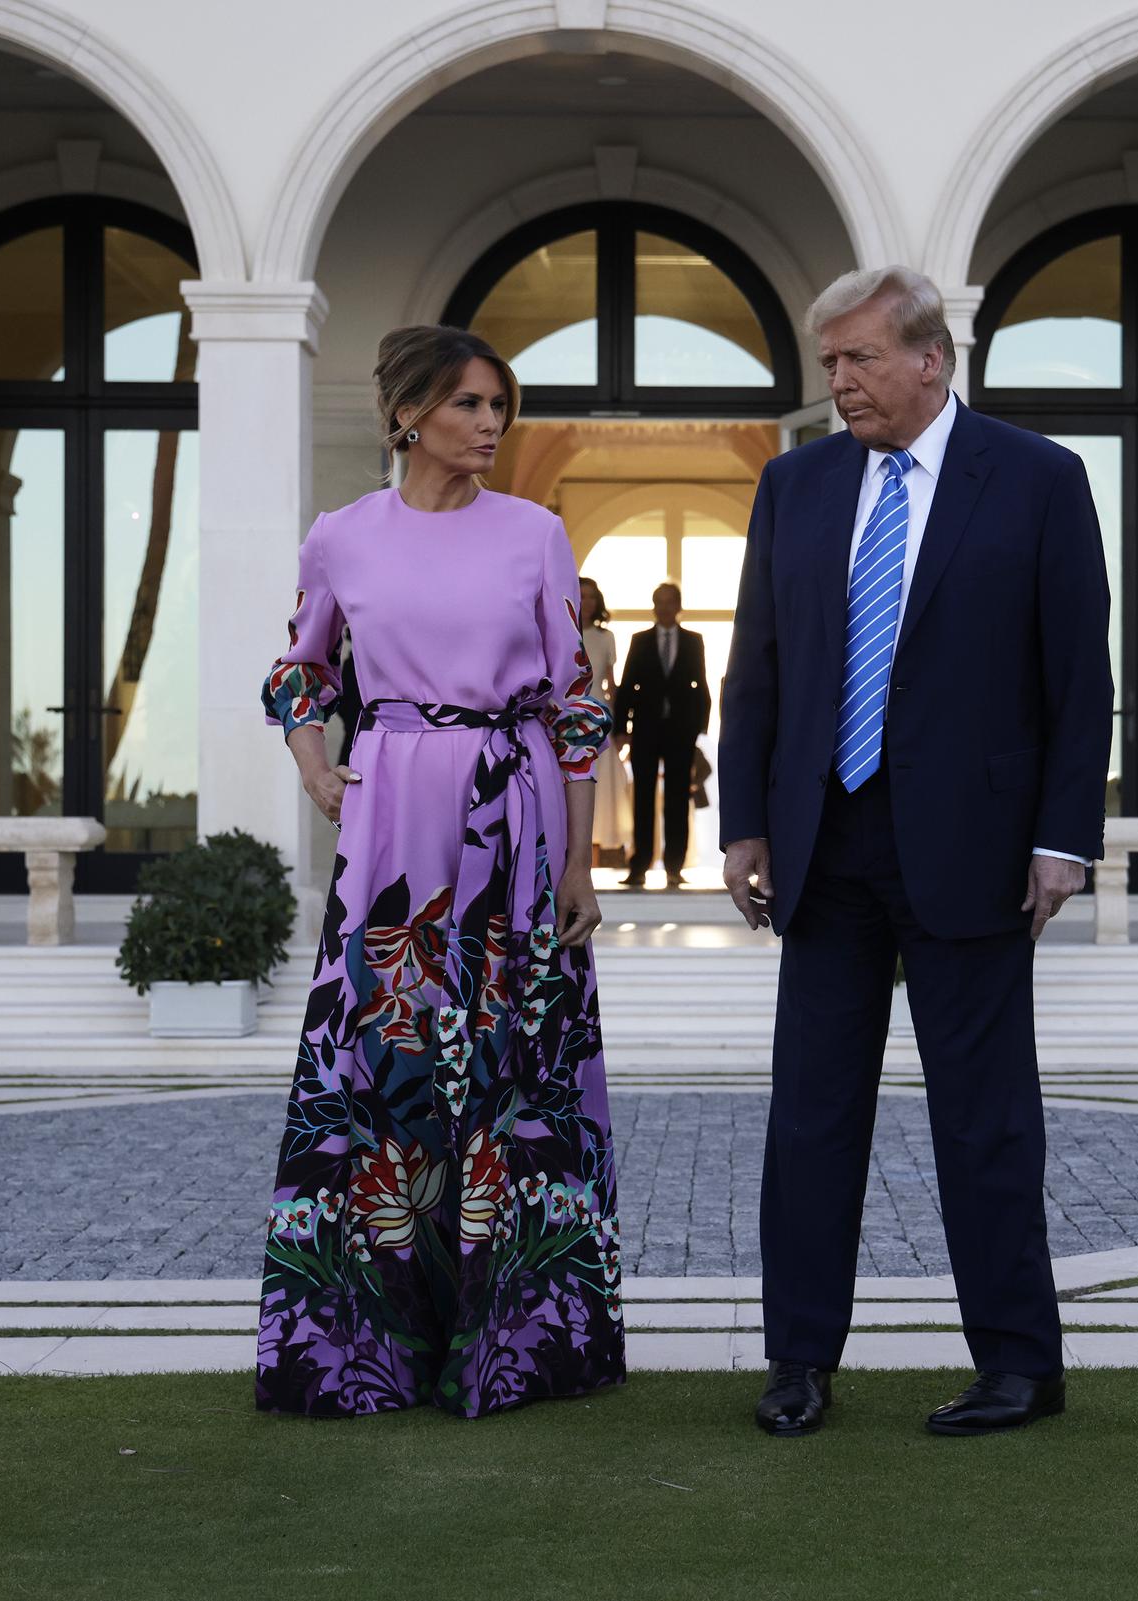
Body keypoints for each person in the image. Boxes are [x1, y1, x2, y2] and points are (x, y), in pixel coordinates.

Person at [719, 266, 1110, 1438]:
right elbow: (760, 670)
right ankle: (798, 1359)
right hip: (823, 847)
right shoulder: (793, 486)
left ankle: (1021, 1365)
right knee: (810, 1117)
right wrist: (745, 820)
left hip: (977, 851)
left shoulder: (1040, 479)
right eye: (830, 363)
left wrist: (1062, 839)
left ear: (930, 358)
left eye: (859, 359)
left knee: (985, 1118)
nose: (840, 381)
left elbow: (1077, 679)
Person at [255, 324, 624, 1419]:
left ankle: (515, 1340)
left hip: (509, 819)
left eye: (500, 408)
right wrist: (318, 768)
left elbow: (575, 706)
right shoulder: (341, 537)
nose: (490, 427)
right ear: (408, 412)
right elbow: (299, 666)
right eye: (470, 405)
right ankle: (367, 1341)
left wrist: (579, 859)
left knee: (509, 1066)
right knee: (389, 1063)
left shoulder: (536, 534)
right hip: (391, 820)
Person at [615, 581, 710, 889]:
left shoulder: (694, 641)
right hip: (645, 729)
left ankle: (674, 867)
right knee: (642, 798)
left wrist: (700, 729)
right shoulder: (639, 640)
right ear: (654, 605)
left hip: (681, 731)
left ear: (678, 606)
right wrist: (621, 730)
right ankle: (639, 865)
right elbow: (627, 685)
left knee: (677, 799)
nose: (665, 607)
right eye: (660, 601)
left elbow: (701, 687)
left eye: (670, 601)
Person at [578, 576, 628, 866]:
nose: (587, 602)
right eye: (581, 596)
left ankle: (598, 854)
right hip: (569, 712)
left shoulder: (605, 636)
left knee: (603, 784)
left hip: (600, 716)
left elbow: (611, 683)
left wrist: (620, 727)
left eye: (591, 597)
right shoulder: (558, 631)